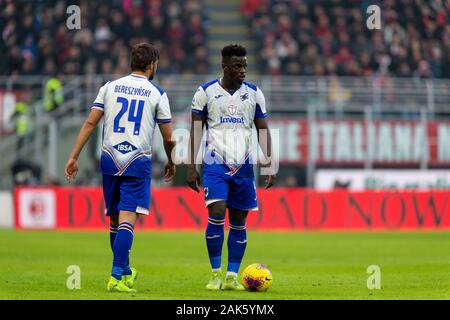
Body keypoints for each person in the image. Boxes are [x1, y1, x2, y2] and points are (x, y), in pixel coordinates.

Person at [64, 43, 176, 293]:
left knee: (115, 220)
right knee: (127, 220)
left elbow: (90, 123)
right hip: (137, 161)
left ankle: (125, 271)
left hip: (110, 159)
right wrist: (171, 160)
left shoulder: (109, 87)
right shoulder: (156, 93)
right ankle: (115, 276)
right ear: (151, 65)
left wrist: (73, 156)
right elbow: (169, 138)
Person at [187, 44, 276, 291]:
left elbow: (263, 130)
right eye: (237, 66)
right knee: (216, 212)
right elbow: (195, 131)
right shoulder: (205, 92)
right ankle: (215, 273)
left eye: (245, 65)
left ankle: (232, 276)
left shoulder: (255, 94)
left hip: (244, 166)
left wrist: (269, 162)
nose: (243, 70)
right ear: (224, 66)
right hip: (216, 163)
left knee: (239, 220)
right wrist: (191, 166)